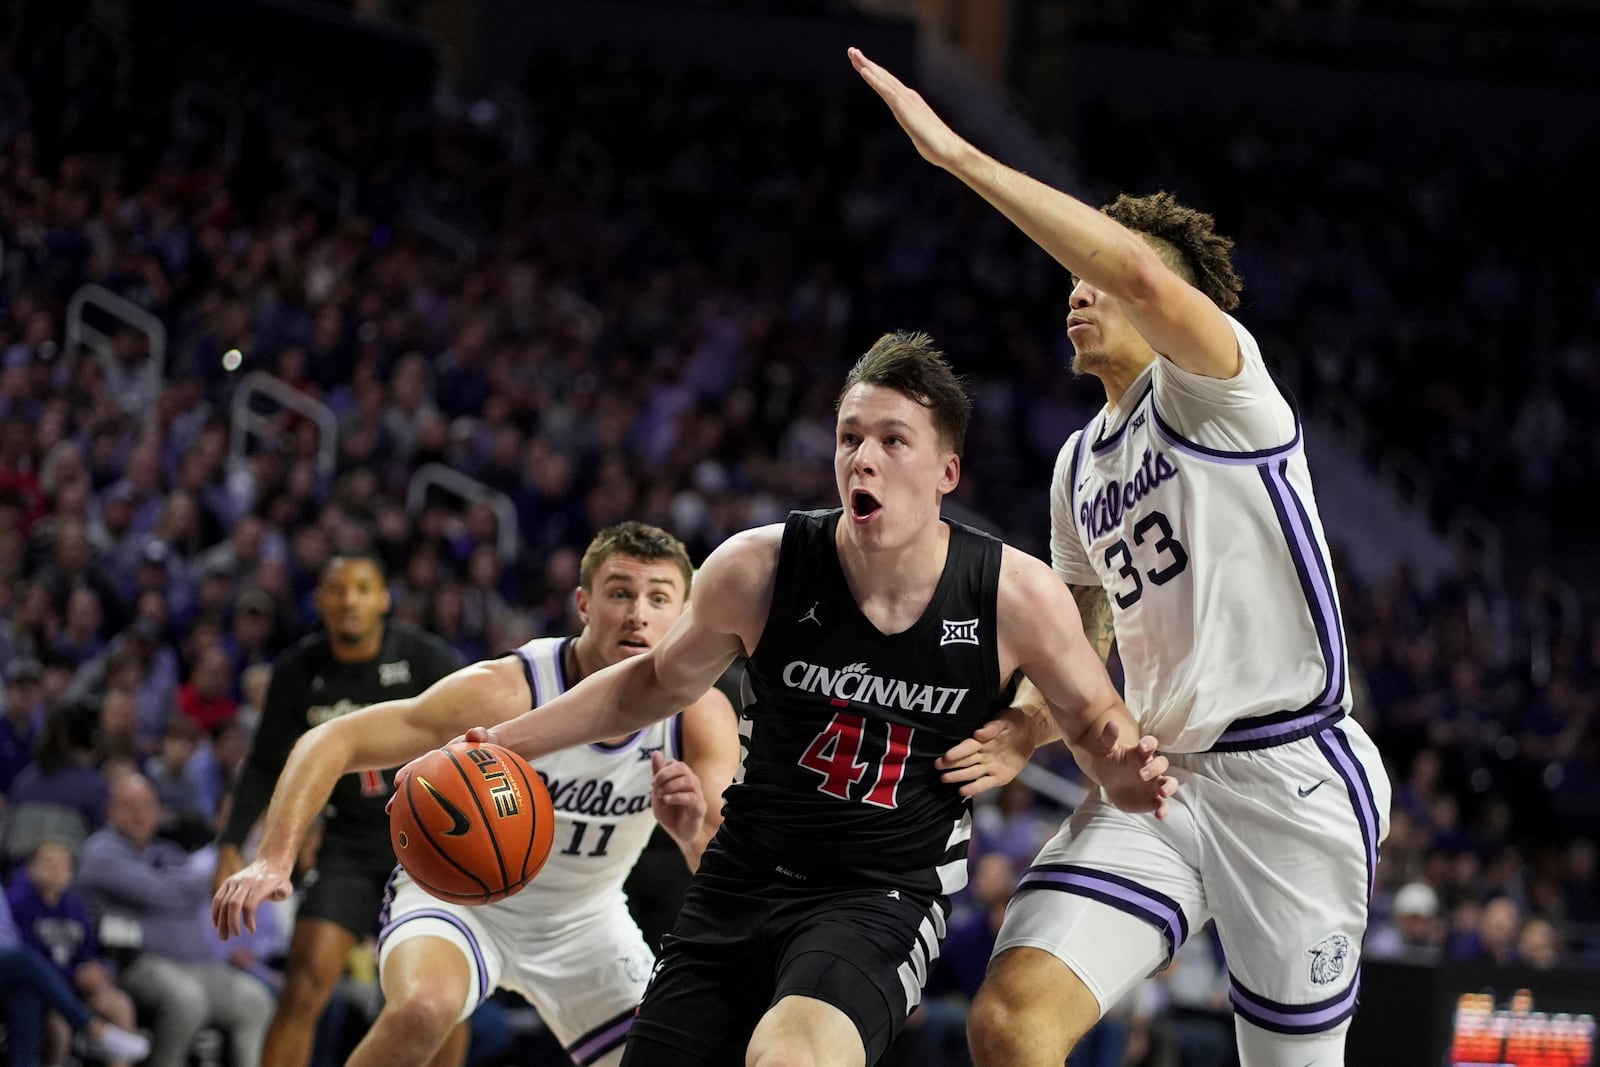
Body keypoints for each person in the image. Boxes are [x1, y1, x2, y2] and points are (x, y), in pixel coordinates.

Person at [849, 47, 1393, 1067]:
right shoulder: (1076, 465)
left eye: (1095, 273)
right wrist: (1024, 725)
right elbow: (1081, 641)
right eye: (1073, 277)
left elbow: (1138, 266)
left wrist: (958, 154)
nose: (1080, 288)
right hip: (1158, 782)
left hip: (1290, 780)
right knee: (1010, 1022)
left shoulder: (1222, 391)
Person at [463, 333, 1175, 1067]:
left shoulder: (1014, 594)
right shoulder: (758, 566)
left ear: (946, 472)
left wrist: (1117, 767)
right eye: (849, 437)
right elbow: (651, 683)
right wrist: (501, 743)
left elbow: (1094, 715)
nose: (862, 457)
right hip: (741, 877)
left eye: (893, 440)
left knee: (792, 1059)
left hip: (880, 895)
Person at [213, 522, 742, 1067]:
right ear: (583, 603)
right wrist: (272, 860)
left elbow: (727, 871)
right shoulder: (510, 689)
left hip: (587, 921)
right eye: (620, 593)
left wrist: (690, 831)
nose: (638, 614)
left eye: (658, 598)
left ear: (683, 614)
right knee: (424, 1008)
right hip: (459, 902)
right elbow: (332, 738)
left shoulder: (700, 718)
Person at [213, 549, 462, 1067]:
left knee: (443, 1002)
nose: (349, 599)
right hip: (347, 844)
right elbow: (263, 764)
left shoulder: (423, 657)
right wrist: (233, 843)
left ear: (384, 600)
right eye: (338, 589)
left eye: (362, 588)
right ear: (319, 601)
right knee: (303, 982)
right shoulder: (297, 670)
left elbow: (476, 736)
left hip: (426, 842)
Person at [76, 774, 273, 1067]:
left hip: (195, 964)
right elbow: (162, 891)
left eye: (147, 805)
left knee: (256, 1001)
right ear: (110, 811)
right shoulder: (101, 852)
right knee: (187, 1000)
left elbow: (195, 888)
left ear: (159, 811)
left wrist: (176, 887)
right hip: (133, 964)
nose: (140, 814)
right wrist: (178, 886)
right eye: (129, 806)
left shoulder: (165, 852)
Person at [6, 839, 142, 1067]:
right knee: (60, 1024)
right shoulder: (19, 902)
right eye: (47, 863)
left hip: (77, 985)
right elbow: (29, 960)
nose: (54, 870)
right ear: (30, 868)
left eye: (62, 865)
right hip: (48, 989)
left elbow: (88, 951)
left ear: (71, 872)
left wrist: (97, 970)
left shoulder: (74, 905)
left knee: (120, 1005)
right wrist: (74, 974)